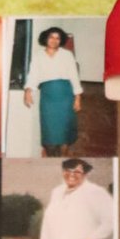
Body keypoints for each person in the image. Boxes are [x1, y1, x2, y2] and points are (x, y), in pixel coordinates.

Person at [24, 26, 82, 155]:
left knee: (65, 127)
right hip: (48, 96)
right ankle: (50, 155)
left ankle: (64, 154)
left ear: (61, 41)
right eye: (51, 37)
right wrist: (28, 91)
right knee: (49, 127)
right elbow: (33, 75)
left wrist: (78, 97)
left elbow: (74, 75)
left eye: (57, 38)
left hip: (65, 94)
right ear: (46, 38)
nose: (54, 40)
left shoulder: (67, 55)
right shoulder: (38, 56)